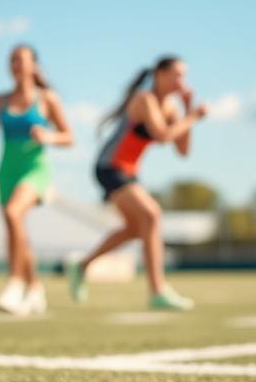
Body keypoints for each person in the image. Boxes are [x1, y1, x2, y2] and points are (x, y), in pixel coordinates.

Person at [67, 56, 208, 310]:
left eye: (183, 76)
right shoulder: (145, 99)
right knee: (152, 214)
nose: (181, 81)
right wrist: (194, 117)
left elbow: (183, 150)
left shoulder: (172, 108)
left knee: (136, 228)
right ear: (159, 74)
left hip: (129, 171)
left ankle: (82, 266)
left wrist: (187, 111)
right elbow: (163, 136)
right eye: (176, 75)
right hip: (109, 166)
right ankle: (157, 291)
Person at [0, 44, 73, 315]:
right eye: (13, 61)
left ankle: (15, 283)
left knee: (12, 213)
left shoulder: (47, 99)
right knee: (15, 229)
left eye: (22, 60)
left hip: (35, 169)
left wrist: (49, 136)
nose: (17, 65)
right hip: (7, 170)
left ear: (34, 66)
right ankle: (35, 289)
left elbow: (69, 137)